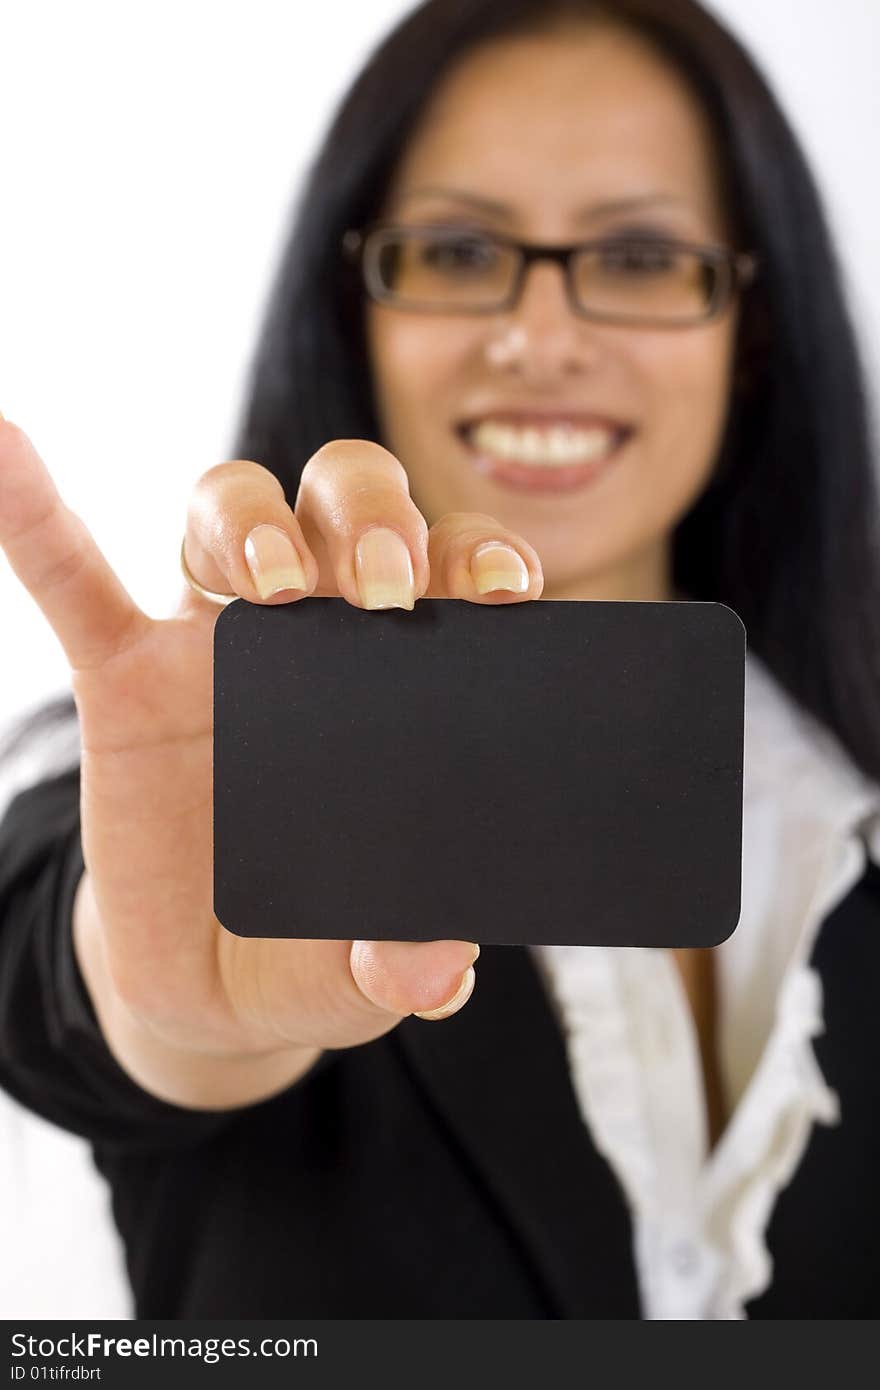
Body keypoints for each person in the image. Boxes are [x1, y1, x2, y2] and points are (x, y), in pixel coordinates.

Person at [1, 0, 879, 1320]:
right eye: (459, 250)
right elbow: (95, 977)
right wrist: (157, 1003)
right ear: (349, 304)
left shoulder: (847, 810)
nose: (539, 336)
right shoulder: (189, 769)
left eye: (640, 254)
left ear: (749, 328)